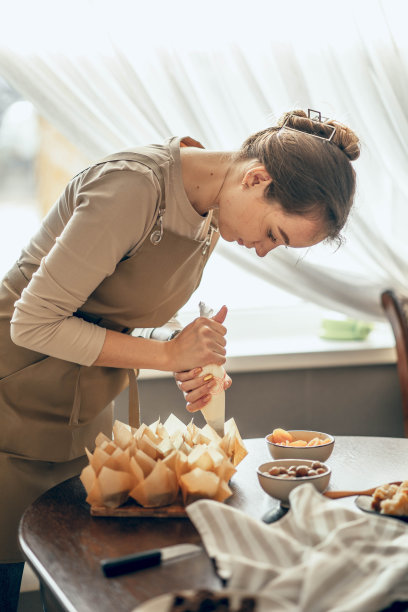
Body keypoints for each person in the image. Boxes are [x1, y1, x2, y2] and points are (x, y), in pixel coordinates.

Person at [0, 108, 360, 610]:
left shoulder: (211, 209)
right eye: (275, 235)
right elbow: (33, 322)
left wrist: (189, 353)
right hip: (11, 400)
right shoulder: (131, 188)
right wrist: (168, 353)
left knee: (68, 584)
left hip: (77, 410)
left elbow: (112, 309)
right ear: (258, 178)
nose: (261, 252)